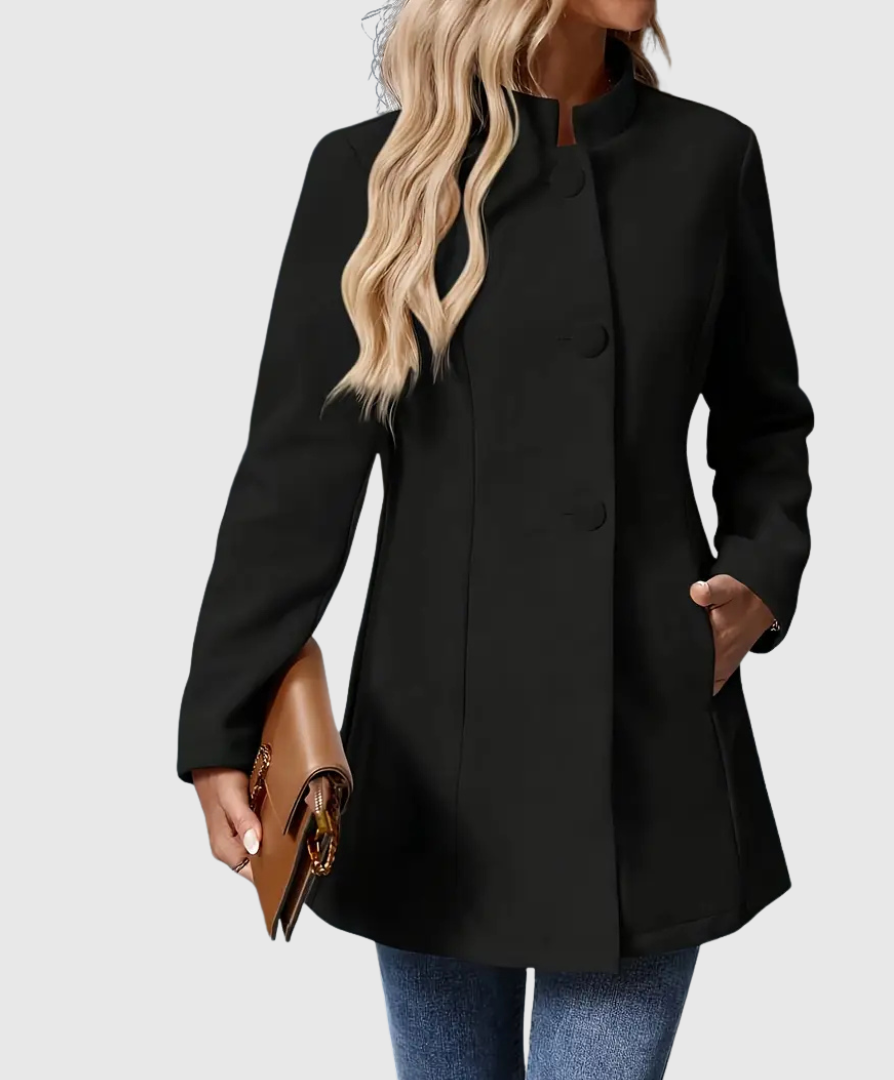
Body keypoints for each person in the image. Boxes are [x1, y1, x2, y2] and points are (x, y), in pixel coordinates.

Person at [178, 0, 813, 1076]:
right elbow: (296, 477)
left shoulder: (710, 159)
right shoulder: (374, 174)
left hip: (646, 739)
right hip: (437, 760)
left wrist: (761, 568)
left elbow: (765, 423)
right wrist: (221, 724)